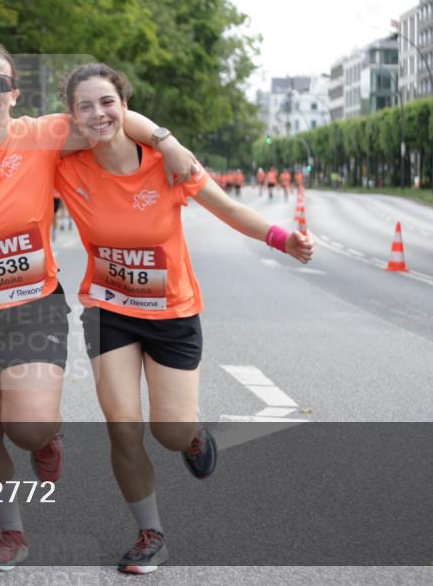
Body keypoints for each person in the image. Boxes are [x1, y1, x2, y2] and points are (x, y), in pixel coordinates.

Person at [0, 43, 198, 571]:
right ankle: (11, 534)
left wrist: (167, 141)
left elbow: (109, 118)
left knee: (26, 428)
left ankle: (47, 434)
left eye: (0, 82)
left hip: (31, 306)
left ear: (15, 94)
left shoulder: (41, 135)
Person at [53, 63, 314, 574]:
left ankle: (192, 435)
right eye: (84, 106)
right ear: (72, 117)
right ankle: (150, 533)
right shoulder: (66, 165)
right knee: (122, 426)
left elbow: (227, 209)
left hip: (172, 312)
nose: (97, 114)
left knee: (168, 431)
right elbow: (7, 140)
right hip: (107, 309)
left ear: (125, 106)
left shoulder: (167, 164)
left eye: (107, 102)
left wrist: (283, 240)